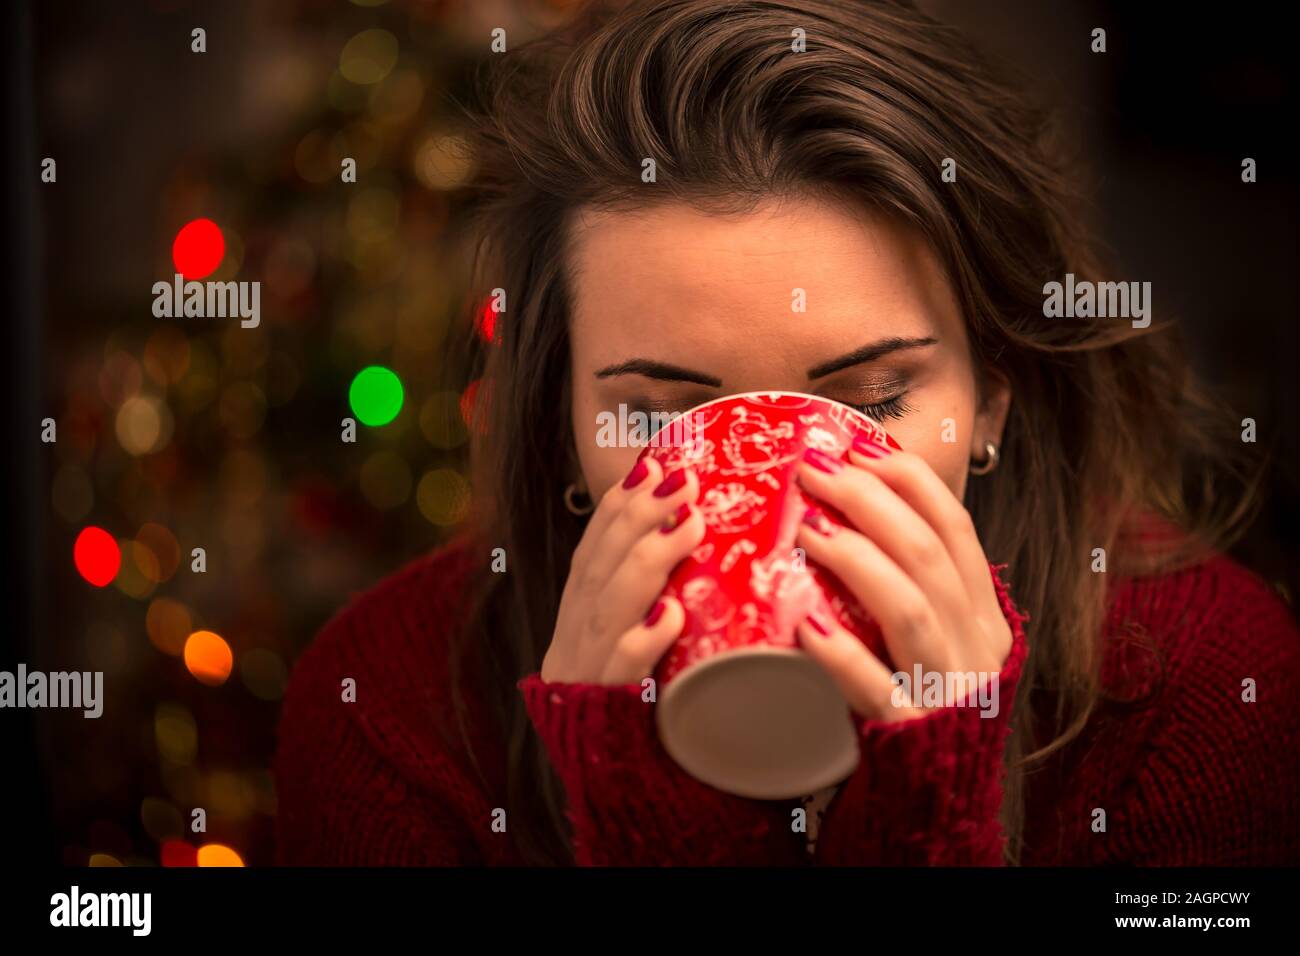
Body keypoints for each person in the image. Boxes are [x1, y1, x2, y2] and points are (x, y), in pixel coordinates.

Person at [274, 0, 1300, 865]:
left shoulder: (1199, 690)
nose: (776, 493)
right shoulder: (389, 709)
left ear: (993, 396)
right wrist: (637, 805)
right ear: (557, 414)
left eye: (868, 401)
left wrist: (932, 812)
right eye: (659, 414)